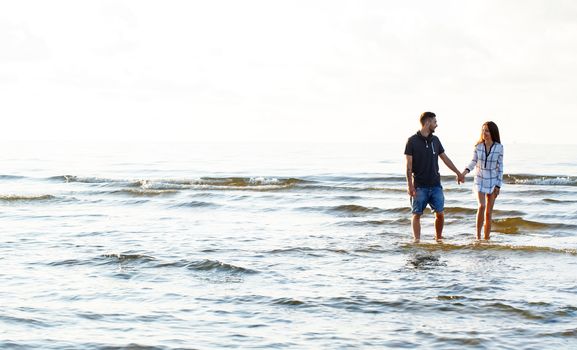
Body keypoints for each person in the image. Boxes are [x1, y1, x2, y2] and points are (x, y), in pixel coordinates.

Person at [404, 112, 464, 242]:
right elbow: (408, 166)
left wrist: (458, 173)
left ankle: (438, 239)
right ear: (427, 123)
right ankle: (417, 241)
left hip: (436, 185)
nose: (436, 125)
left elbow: (445, 158)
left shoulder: (435, 140)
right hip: (419, 186)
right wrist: (409, 185)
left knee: (440, 214)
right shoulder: (412, 141)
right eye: (435, 122)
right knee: (416, 214)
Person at [461, 121, 504, 240]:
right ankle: (478, 237)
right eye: (483, 130)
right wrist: (463, 173)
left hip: (492, 181)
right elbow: (473, 162)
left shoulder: (499, 148)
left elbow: (500, 168)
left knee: (488, 212)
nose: (484, 133)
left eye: (487, 131)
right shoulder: (478, 146)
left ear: (493, 133)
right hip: (479, 180)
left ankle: (486, 238)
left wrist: (498, 185)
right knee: (481, 206)